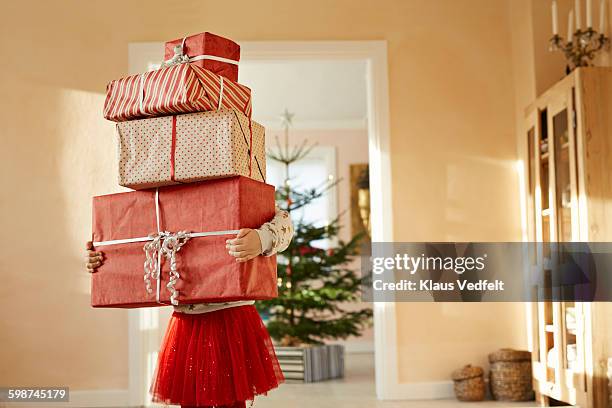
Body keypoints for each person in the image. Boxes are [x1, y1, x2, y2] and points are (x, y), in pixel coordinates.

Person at [86, 206, 294, 408]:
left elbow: (284, 221)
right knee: (191, 398)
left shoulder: (235, 187)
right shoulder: (165, 202)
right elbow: (134, 238)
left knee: (230, 399)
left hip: (231, 317)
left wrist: (262, 239)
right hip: (187, 321)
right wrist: (105, 259)